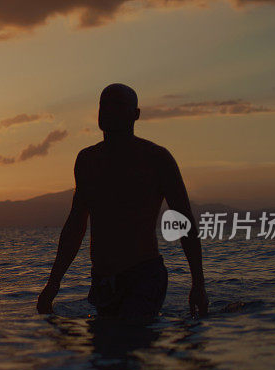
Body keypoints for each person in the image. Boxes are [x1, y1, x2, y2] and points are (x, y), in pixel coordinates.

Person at [36, 83, 208, 321]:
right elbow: (76, 225)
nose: (108, 110)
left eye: (117, 105)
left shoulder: (157, 159)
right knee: (103, 351)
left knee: (128, 341)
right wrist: (53, 284)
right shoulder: (88, 161)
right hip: (103, 281)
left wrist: (198, 284)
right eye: (103, 104)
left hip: (144, 276)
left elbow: (184, 221)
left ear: (135, 114)